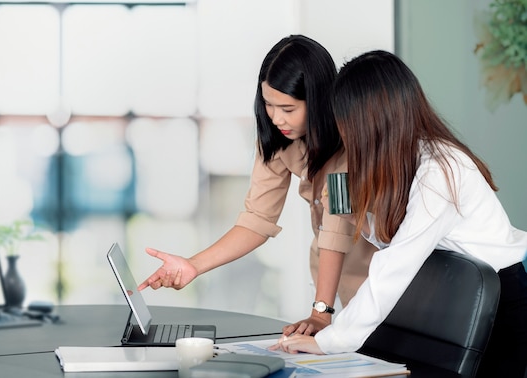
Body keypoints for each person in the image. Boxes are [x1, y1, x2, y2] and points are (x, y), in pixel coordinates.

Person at [270, 50, 527, 377]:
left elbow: (394, 265)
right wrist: (351, 214)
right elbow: (392, 238)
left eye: (346, 123)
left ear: (371, 121)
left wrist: (329, 341)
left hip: (495, 304)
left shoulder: (440, 171)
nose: (343, 134)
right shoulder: (405, 158)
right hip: (448, 296)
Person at [137, 35, 376, 334]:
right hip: (335, 288)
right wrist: (193, 265)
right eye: (268, 104)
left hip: (378, 284)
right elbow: (257, 220)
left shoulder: (348, 142)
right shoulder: (278, 138)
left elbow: (336, 229)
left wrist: (321, 313)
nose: (276, 118)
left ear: (317, 100)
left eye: (288, 109)